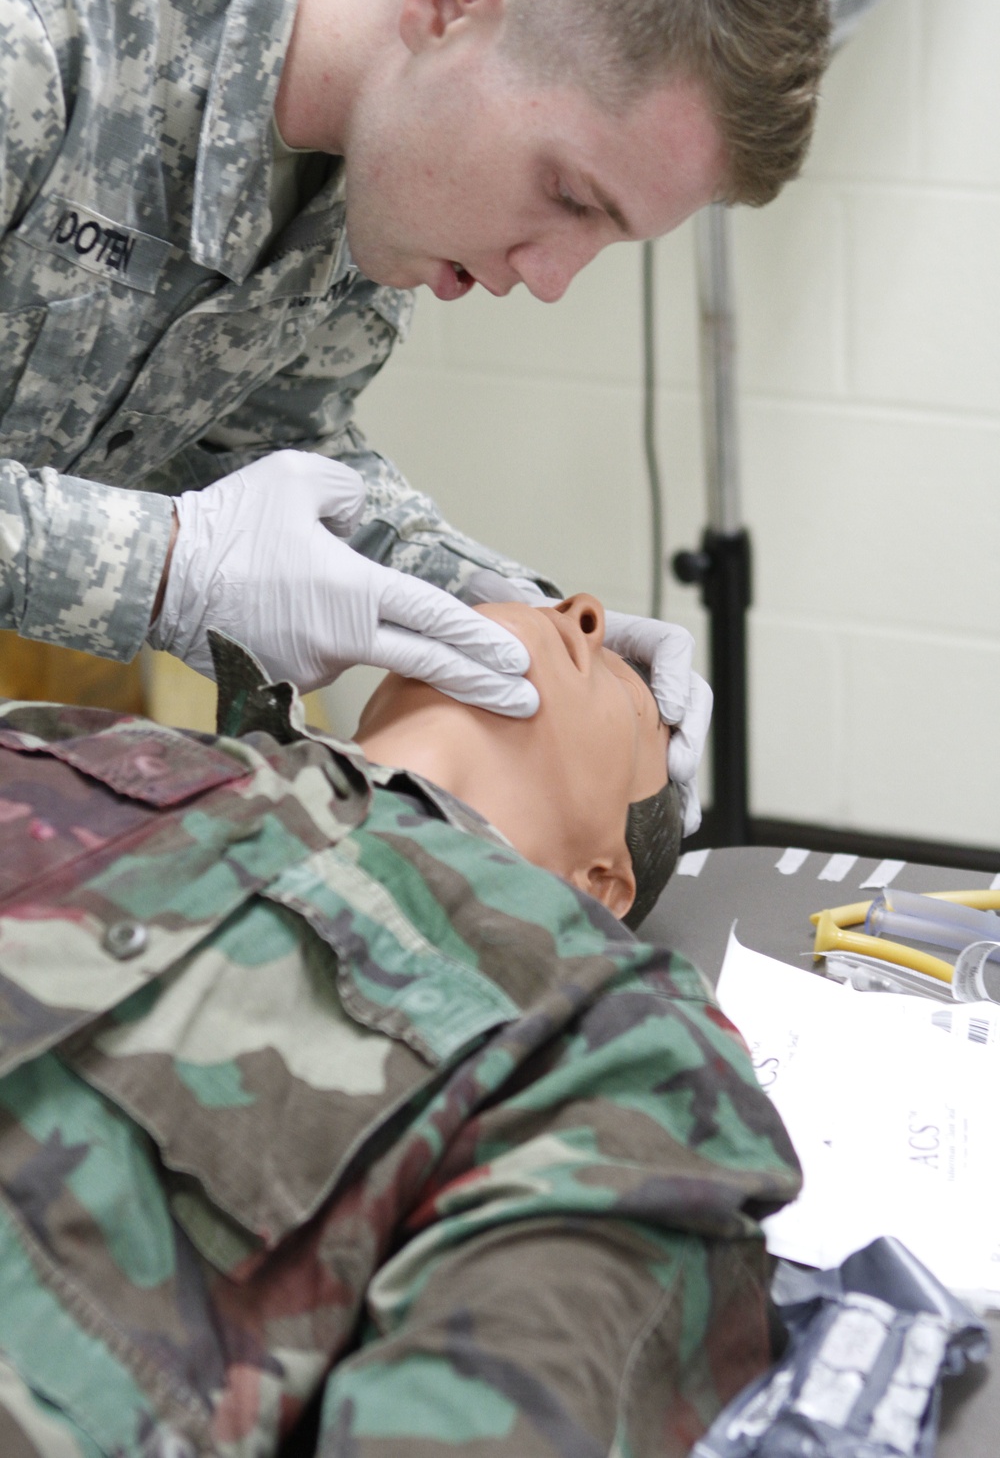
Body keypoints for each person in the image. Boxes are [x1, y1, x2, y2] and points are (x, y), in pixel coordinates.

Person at [0, 0, 831, 831]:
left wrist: (510, 614)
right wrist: (165, 570)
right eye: (569, 196)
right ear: (451, 4)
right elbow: (209, 543)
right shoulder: (40, 38)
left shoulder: (376, 179)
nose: (551, 280)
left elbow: (263, 446)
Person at [0, 592, 800, 1458]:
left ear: (600, 885)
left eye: (625, 693)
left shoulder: (608, 1023)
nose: (581, 611)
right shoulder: (99, 746)